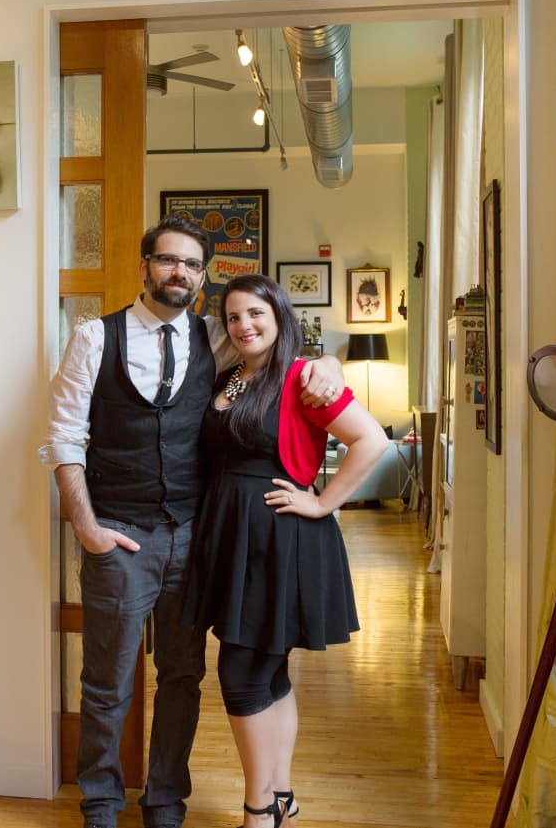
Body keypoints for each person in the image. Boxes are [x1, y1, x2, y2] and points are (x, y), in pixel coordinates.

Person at [39, 216, 345, 828]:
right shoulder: (95, 339)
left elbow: (275, 346)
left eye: (191, 265)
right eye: (167, 260)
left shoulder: (216, 336)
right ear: (145, 264)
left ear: (202, 278)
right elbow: (64, 439)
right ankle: (100, 804)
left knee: (182, 676)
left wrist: (329, 361)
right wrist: (86, 528)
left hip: (195, 538)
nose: (179, 272)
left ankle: (164, 802)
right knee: (107, 682)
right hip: (119, 535)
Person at [181, 273, 388, 828]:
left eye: (256, 315)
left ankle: (258, 810)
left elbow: (371, 440)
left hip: (278, 537)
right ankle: (281, 797)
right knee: (269, 676)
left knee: (242, 674)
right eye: (233, 317)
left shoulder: (302, 378)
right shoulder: (229, 378)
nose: (243, 325)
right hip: (234, 538)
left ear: (279, 318)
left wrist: (323, 503)